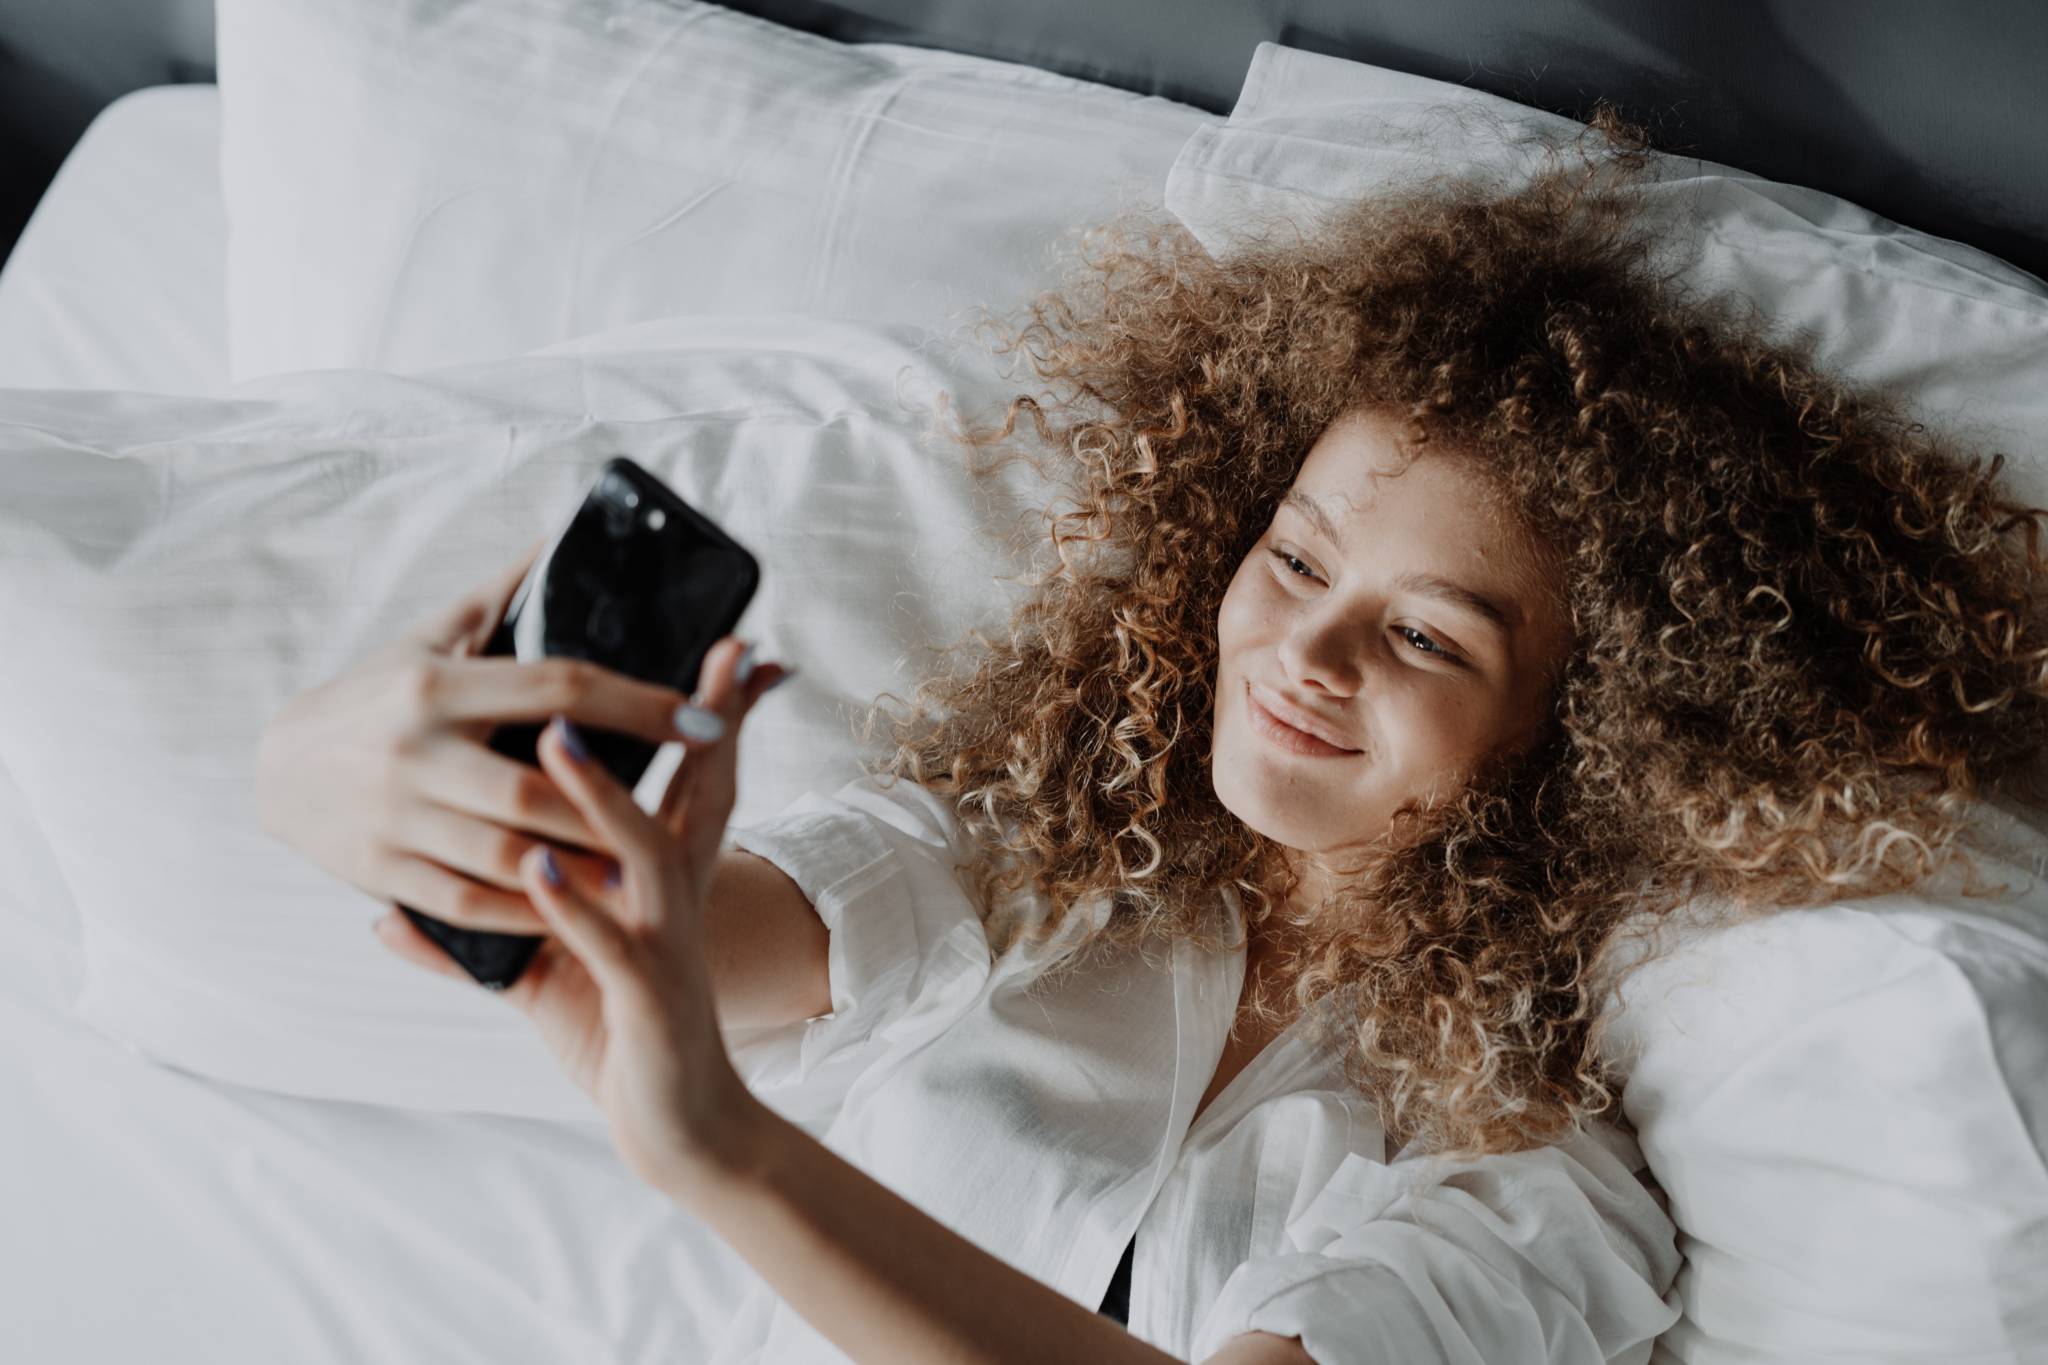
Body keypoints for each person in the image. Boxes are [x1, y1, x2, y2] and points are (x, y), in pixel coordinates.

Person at [258, 115, 2048, 1364]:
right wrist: (342, 778)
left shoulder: (1536, 1178)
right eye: (1295, 559)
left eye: (1426, 634)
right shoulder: (1019, 862)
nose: (1306, 648)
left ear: (1580, 734)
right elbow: (671, 937)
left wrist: (717, 1143)